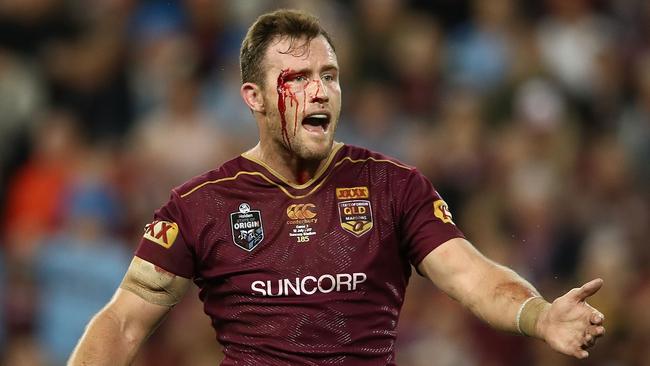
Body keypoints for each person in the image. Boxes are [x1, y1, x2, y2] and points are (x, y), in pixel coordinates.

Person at [69, 9, 605, 365]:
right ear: (253, 97)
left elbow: (472, 275)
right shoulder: (200, 205)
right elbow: (123, 322)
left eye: (329, 75)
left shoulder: (394, 187)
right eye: (297, 78)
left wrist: (538, 314)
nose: (320, 91)